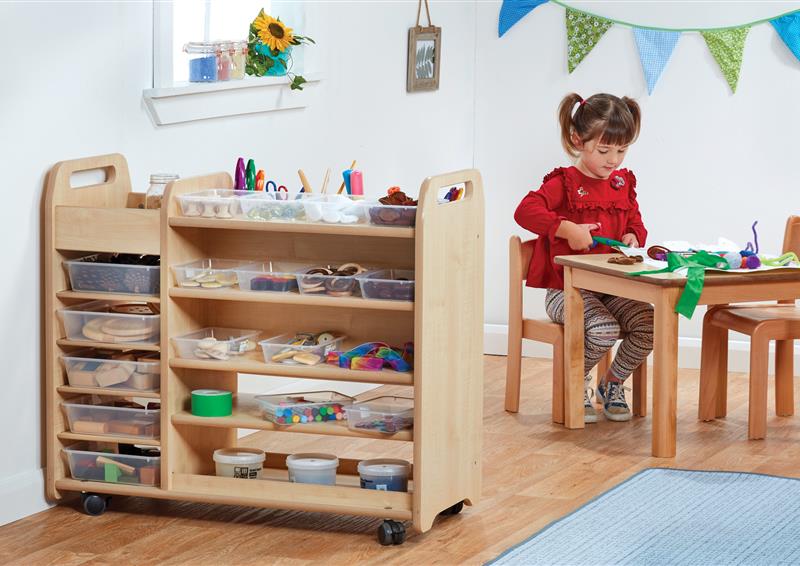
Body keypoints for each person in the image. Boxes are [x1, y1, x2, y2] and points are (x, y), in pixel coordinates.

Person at [514, 92, 654, 423]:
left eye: (621, 150)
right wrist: (565, 228)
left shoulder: (621, 183)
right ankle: (575, 382)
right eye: (604, 150)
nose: (613, 160)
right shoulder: (564, 183)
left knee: (651, 322)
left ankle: (613, 384)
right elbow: (525, 211)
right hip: (566, 291)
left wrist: (634, 236)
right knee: (604, 329)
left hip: (610, 288)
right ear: (578, 140)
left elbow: (636, 222)